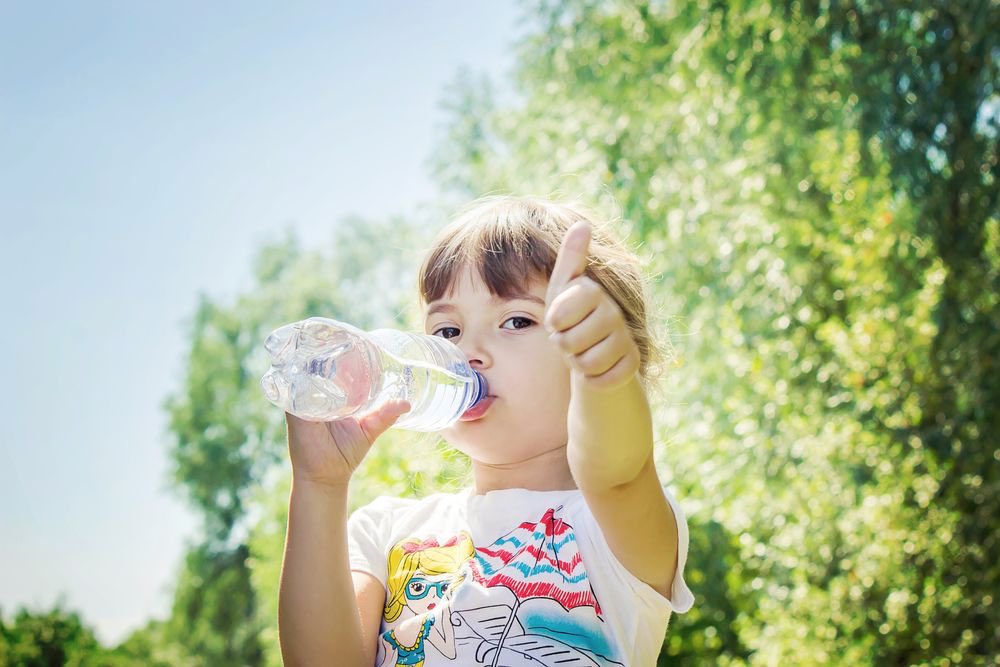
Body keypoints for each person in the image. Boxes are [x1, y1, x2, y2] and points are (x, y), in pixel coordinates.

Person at [277, 196, 694, 666]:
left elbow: (617, 470)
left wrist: (606, 378)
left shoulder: (610, 529)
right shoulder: (386, 531)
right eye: (447, 331)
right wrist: (319, 485)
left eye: (516, 320)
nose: (468, 351)